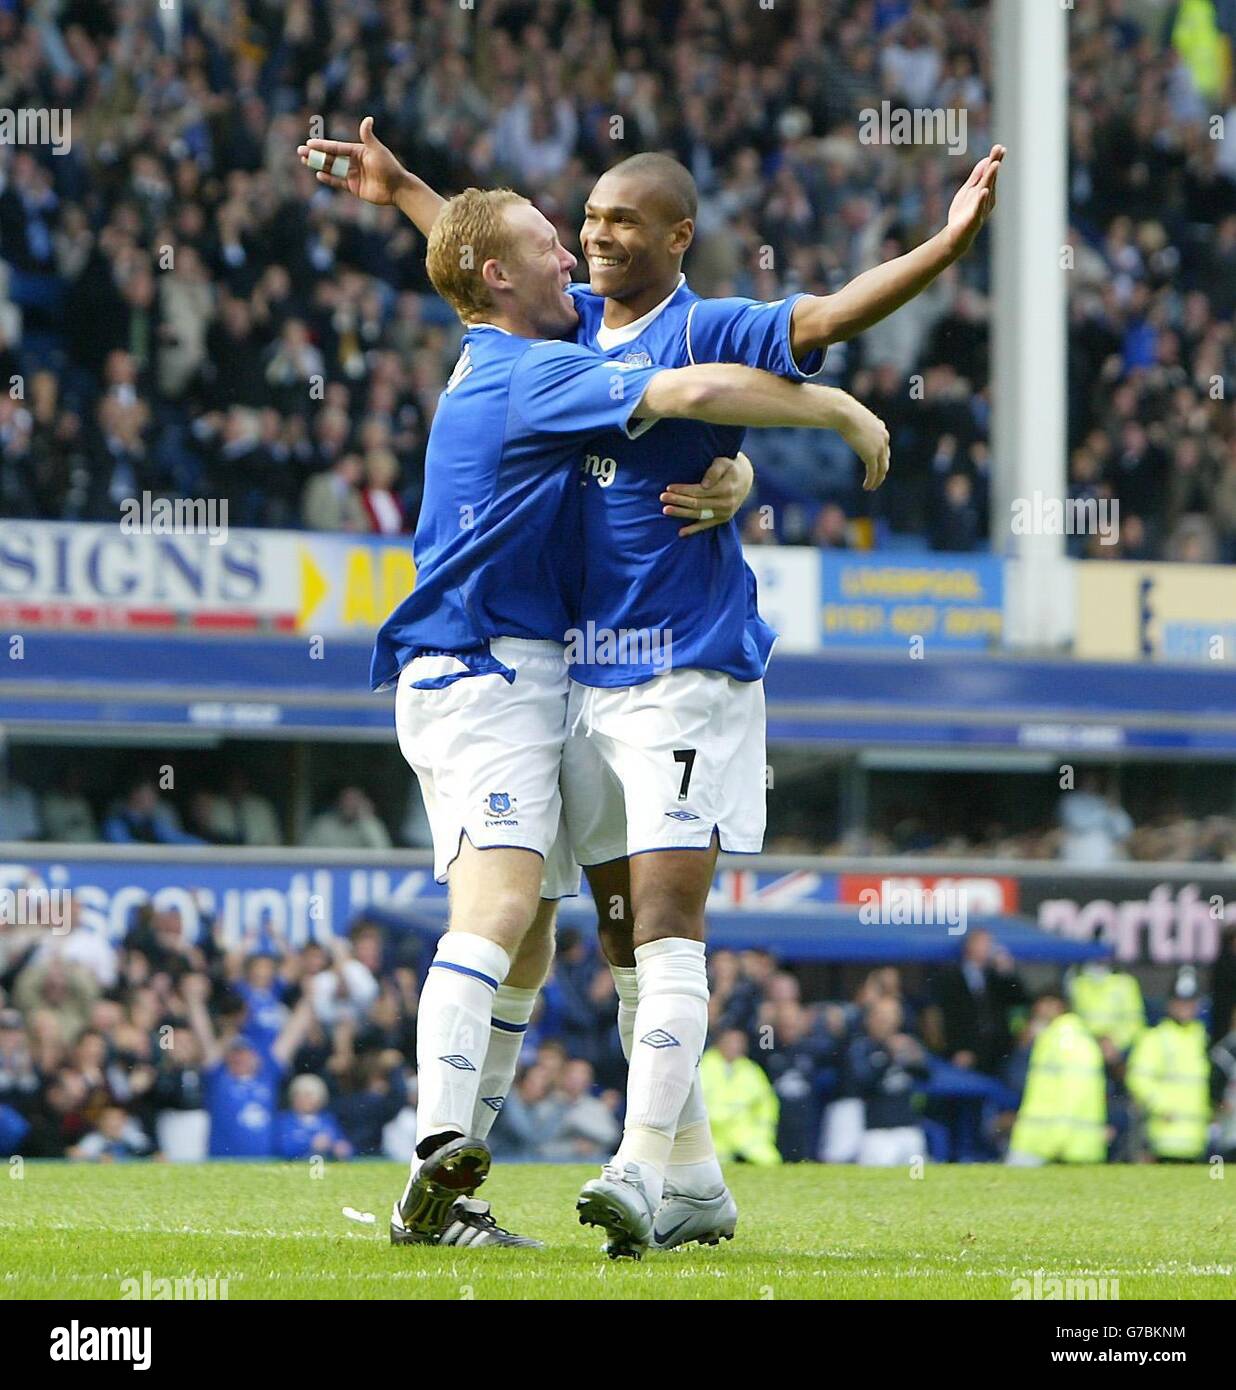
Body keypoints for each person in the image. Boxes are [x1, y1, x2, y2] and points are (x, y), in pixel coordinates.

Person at [304, 120, 1003, 1256]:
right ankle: (607, 1176)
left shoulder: (705, 319)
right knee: (592, 935)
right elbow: (486, 265)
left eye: (615, 224)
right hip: (566, 680)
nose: (586, 244)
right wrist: (407, 194)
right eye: (576, 226)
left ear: (680, 237)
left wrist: (942, 244)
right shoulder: (560, 333)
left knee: (628, 931)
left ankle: (645, 1173)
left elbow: (814, 323)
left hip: (677, 669)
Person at [1007, 994, 1107, 1166]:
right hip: (1050, 1139)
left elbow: (1074, 1091)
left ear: (1059, 1006)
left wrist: (1059, 1138)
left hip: (1048, 1141)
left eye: (1045, 1004)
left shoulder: (1065, 1041)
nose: (1038, 1010)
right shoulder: (1058, 1037)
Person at [1127, 971, 1211, 1162]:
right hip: (1163, 1134)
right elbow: (1138, 1079)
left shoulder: (1201, 1039)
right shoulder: (1155, 1038)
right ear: (1169, 1003)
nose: (1185, 1008)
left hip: (1196, 1137)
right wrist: (1161, 1106)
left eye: (1190, 1002)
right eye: (1180, 1002)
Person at [848, 997, 930, 1167]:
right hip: (878, 1131)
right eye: (882, 1016)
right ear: (870, 1019)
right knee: (876, 1183)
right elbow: (862, 1081)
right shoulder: (862, 1046)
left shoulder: (906, 1043)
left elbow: (926, 1076)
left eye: (892, 1015)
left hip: (909, 1128)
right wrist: (887, 1054)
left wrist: (915, 1058)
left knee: (917, 1180)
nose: (888, 1021)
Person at [698, 1028, 781, 1168]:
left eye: (739, 1043)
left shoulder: (751, 1070)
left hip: (746, 1134)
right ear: (719, 1043)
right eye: (731, 1042)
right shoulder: (702, 1066)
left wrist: (763, 1132)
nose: (735, 1046)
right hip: (712, 1135)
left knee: (770, 1161)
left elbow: (766, 1103)